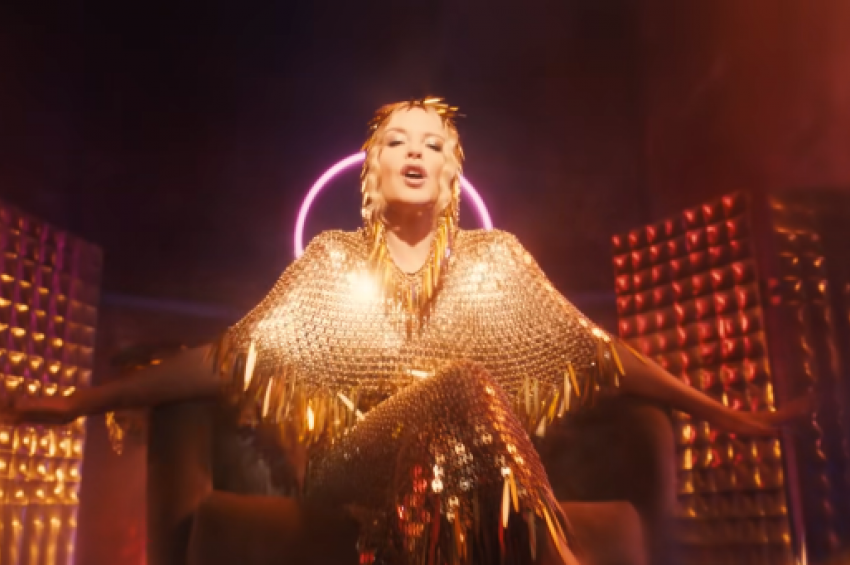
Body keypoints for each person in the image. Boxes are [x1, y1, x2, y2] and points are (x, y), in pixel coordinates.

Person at [2, 98, 808, 565]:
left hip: (470, 479)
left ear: (454, 173)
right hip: (349, 469)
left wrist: (724, 412)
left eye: (433, 143)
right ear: (373, 168)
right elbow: (224, 361)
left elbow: (600, 357)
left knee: (472, 412)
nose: (414, 152)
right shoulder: (331, 262)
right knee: (465, 385)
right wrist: (76, 403)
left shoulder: (497, 264)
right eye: (397, 141)